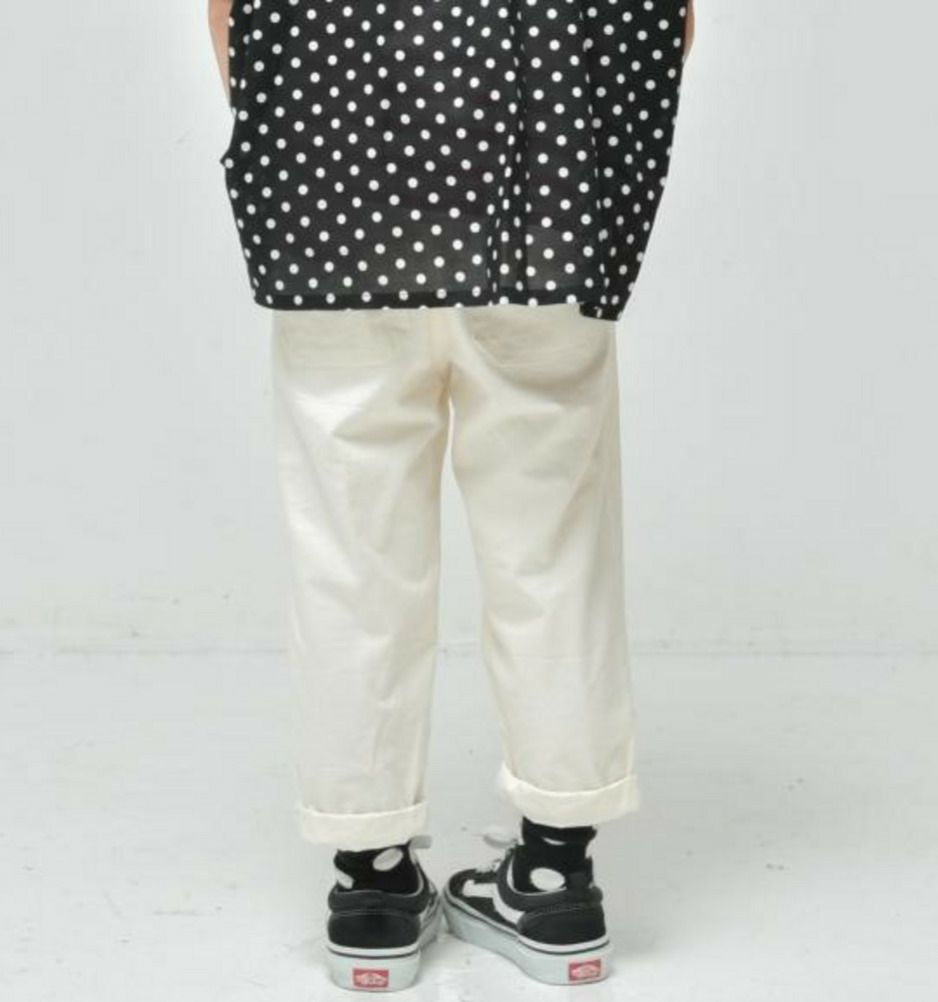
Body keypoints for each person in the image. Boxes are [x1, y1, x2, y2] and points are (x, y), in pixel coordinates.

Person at [208, 0, 694, 990]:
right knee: (553, 543)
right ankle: (555, 876)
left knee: (351, 549)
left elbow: (228, 13)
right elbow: (672, 20)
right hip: (548, 192)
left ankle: (372, 882)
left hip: (332, 181)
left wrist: (307, 119)